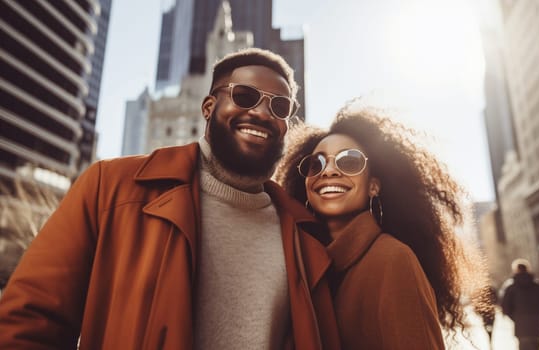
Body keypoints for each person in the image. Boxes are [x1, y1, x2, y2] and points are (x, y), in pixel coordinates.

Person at [0, 48, 340, 349]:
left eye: (279, 106)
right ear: (209, 107)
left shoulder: (304, 236)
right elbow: (30, 323)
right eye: (245, 96)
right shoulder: (110, 187)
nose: (263, 113)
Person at [276, 103, 483, 349]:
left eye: (349, 161)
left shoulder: (393, 259)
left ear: (374, 186)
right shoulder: (306, 263)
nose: (329, 170)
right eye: (316, 164)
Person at [501, 258, 539, 350]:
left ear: (515, 270)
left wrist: (516, 318)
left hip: (521, 326)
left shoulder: (511, 288)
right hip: (537, 325)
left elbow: (506, 307)